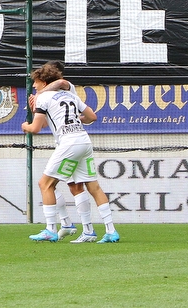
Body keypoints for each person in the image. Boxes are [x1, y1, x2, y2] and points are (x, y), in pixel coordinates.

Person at [22, 62, 119, 244]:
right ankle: (106, 231)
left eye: (35, 82)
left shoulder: (44, 96)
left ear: (43, 81)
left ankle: (51, 229)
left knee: (45, 184)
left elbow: (35, 128)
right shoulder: (70, 95)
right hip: (83, 141)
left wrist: (25, 126)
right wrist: (73, 120)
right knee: (91, 186)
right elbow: (92, 117)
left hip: (68, 143)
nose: (34, 86)